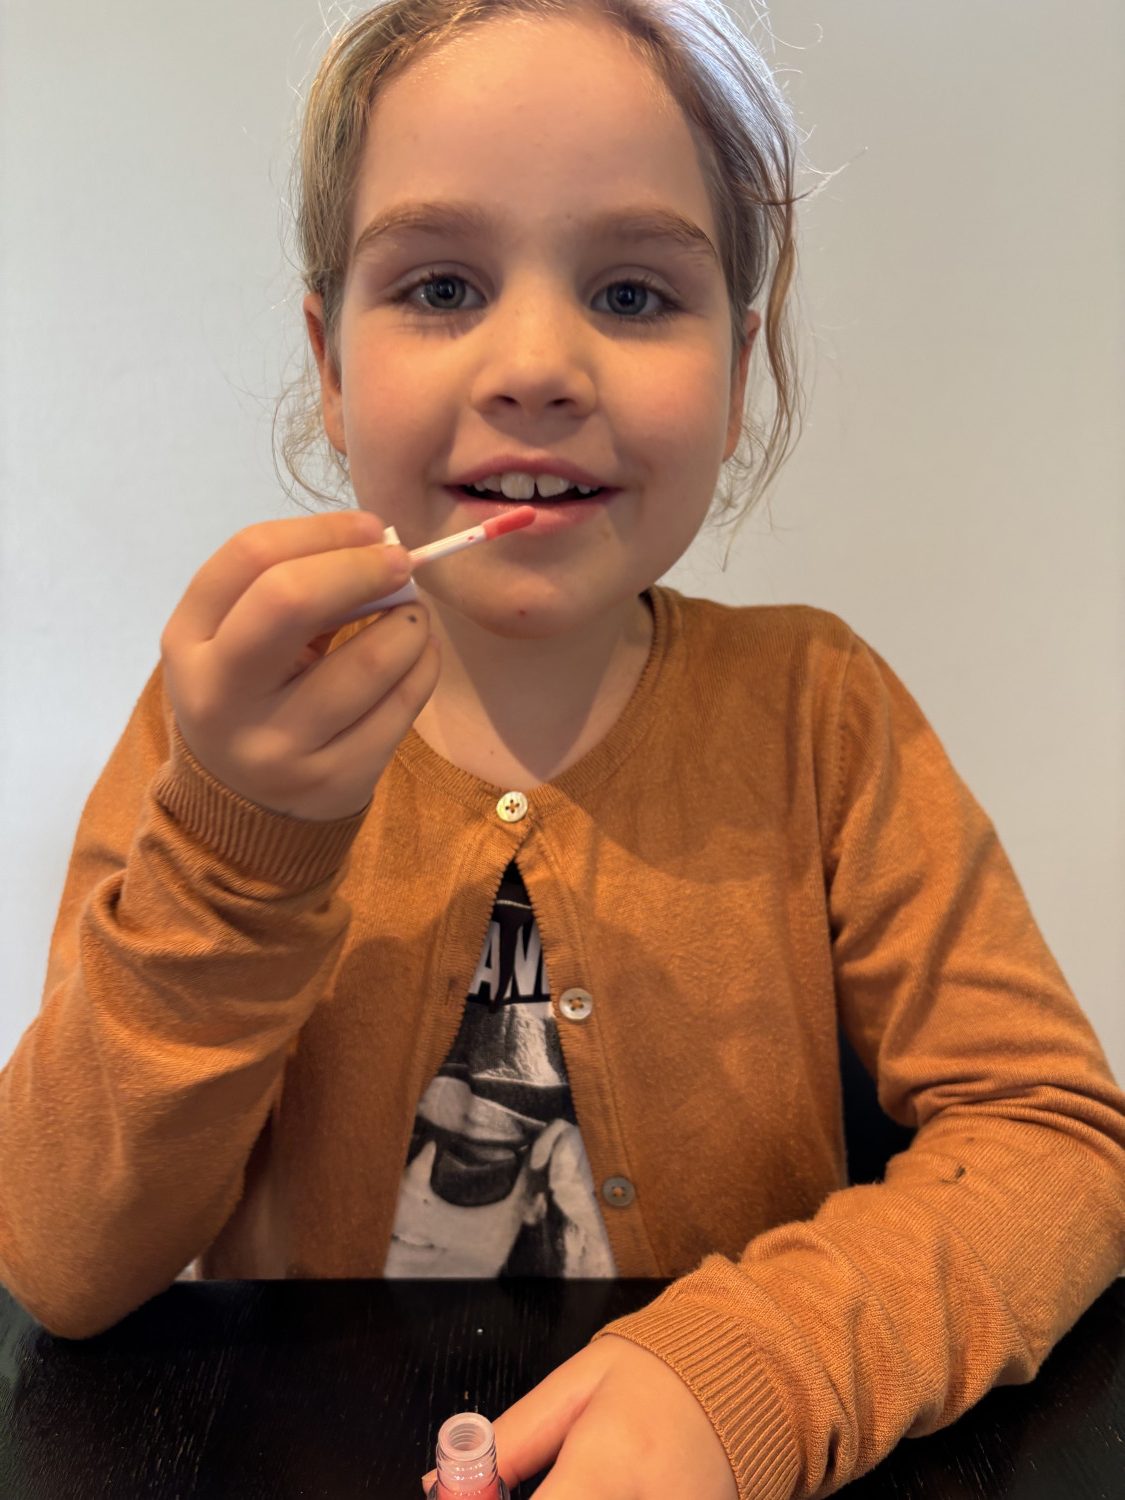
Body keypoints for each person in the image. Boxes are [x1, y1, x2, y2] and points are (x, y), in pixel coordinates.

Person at [1, 2, 1122, 1496]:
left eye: (634, 294)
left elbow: (1055, 1145)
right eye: (441, 286)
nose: (535, 364)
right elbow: (64, 1261)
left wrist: (755, 1374)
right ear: (329, 363)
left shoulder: (821, 713)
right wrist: (236, 845)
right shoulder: (216, 734)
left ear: (740, 367)